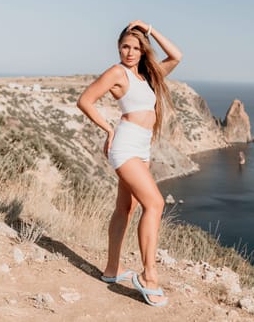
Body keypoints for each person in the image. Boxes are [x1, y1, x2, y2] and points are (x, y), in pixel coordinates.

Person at [77, 20, 182, 307]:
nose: (130, 52)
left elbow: (177, 56)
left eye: (136, 47)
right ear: (118, 47)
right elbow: (85, 100)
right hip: (124, 146)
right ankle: (149, 276)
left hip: (141, 147)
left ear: (143, 50)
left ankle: (112, 270)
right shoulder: (117, 72)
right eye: (125, 46)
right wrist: (109, 129)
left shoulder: (147, 76)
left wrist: (151, 29)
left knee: (126, 207)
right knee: (155, 204)